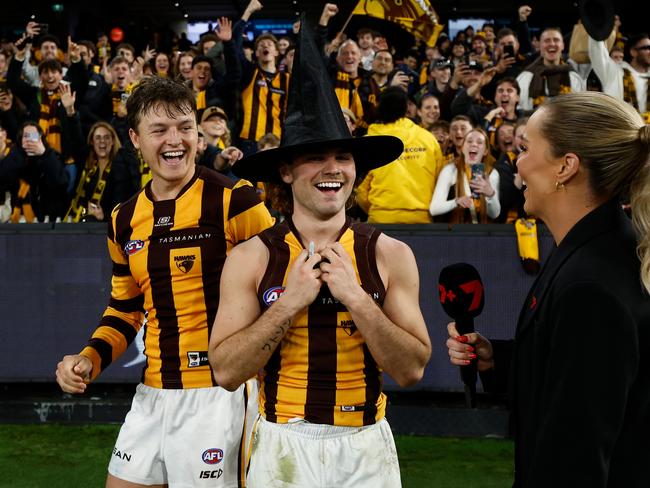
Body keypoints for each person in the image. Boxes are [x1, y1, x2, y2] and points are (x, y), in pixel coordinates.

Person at [208, 15, 431, 487]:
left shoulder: (390, 253)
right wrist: (288, 303)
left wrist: (355, 297)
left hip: (367, 444)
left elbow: (411, 369)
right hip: (282, 443)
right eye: (316, 156)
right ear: (286, 171)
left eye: (344, 157)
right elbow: (226, 371)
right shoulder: (252, 256)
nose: (333, 169)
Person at [55, 76, 274, 487]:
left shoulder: (237, 200)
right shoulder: (123, 219)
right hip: (152, 391)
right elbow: (125, 308)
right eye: (159, 130)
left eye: (185, 127)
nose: (176, 140)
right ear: (135, 138)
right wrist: (89, 358)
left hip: (219, 395)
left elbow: (277, 296)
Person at [445, 91, 650, 486]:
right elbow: (578, 381)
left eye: (525, 148)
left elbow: (575, 457)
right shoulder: (593, 251)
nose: (517, 163)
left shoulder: (591, 285)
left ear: (566, 166)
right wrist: (499, 361)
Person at [65, 121, 139, 222]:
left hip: (110, 225)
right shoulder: (87, 166)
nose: (102, 141)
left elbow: (122, 202)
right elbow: (75, 141)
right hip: (81, 221)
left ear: (113, 141)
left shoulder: (121, 168)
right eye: (98, 137)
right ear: (92, 141)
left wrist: (104, 217)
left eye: (106, 137)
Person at [429, 127, 500, 223]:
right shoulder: (450, 170)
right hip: (456, 232)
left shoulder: (492, 174)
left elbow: (495, 214)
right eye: (469, 141)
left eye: (479, 142)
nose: (474, 144)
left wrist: (490, 194)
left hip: (482, 234)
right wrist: (456, 202)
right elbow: (434, 209)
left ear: (485, 151)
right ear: (462, 148)